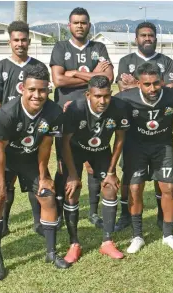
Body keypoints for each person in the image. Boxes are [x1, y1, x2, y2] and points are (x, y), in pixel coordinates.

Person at [0, 63, 69, 280]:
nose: (37, 95)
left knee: (48, 197)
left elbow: (45, 146)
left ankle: (51, 253)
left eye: (42, 90)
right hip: (5, 159)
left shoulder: (54, 112)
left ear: (48, 89)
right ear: (22, 88)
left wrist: (43, 177)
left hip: (30, 159)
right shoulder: (6, 113)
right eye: (32, 89)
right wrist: (1, 183)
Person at [115, 63, 173, 254]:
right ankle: (137, 235)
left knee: (169, 189)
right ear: (138, 83)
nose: (152, 88)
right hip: (135, 148)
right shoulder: (124, 98)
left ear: (162, 81)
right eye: (147, 84)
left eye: (156, 83)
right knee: (135, 188)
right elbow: (102, 103)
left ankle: (168, 235)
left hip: (162, 148)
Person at [51, 7, 114, 230]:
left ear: (89, 25)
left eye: (84, 22)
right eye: (76, 22)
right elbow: (58, 80)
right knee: (64, 167)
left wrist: (75, 73)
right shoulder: (60, 47)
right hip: (66, 113)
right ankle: (57, 213)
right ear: (69, 25)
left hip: (96, 112)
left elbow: (107, 79)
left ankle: (94, 212)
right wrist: (92, 75)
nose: (80, 25)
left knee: (93, 164)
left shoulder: (99, 47)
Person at [114, 21, 173, 232]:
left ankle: (162, 215)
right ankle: (126, 215)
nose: (147, 38)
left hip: (160, 130)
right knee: (130, 178)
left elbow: (170, 88)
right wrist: (137, 87)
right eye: (143, 35)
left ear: (156, 39)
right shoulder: (126, 60)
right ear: (136, 39)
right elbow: (123, 88)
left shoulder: (166, 61)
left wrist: (137, 85)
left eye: (151, 35)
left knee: (164, 180)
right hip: (134, 130)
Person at [60, 76, 128, 262]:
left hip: (101, 151)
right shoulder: (76, 108)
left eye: (106, 96)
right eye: (97, 96)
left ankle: (107, 242)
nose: (102, 101)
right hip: (75, 149)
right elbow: (64, 141)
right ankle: (74, 244)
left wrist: (112, 171)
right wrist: (73, 174)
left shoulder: (119, 108)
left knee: (110, 187)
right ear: (88, 94)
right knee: (71, 191)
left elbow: (120, 139)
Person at [0, 21, 47, 236]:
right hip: (7, 133)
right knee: (7, 180)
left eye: (24, 40)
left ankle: (38, 223)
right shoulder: (1, 67)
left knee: (34, 180)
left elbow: (43, 99)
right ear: (9, 42)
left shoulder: (38, 66)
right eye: (16, 40)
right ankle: (3, 224)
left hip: (31, 134)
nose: (20, 43)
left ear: (29, 41)